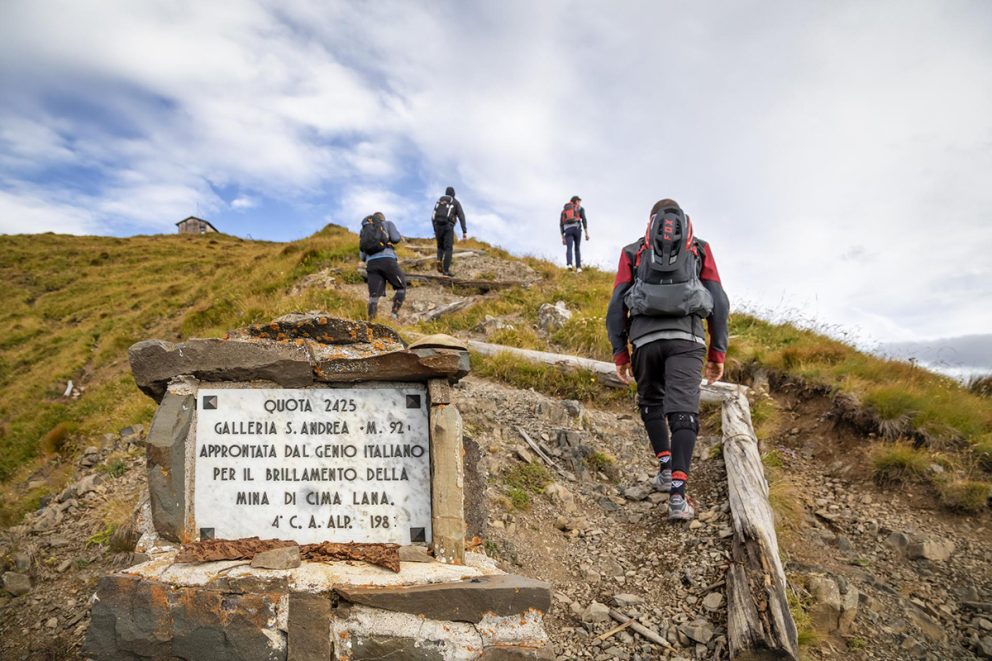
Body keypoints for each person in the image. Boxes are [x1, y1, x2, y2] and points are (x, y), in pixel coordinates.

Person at [605, 199, 729, 521]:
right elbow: (719, 301)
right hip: (687, 340)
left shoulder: (634, 251)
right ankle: (678, 494)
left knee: (651, 401)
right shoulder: (699, 249)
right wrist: (718, 352)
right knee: (684, 410)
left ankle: (664, 466)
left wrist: (621, 352)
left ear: (651, 223)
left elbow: (617, 303)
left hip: (645, 341)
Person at [358, 212, 406, 320]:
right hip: (387, 260)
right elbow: (395, 238)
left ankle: (371, 323)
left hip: (371, 264)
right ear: (382, 219)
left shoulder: (364, 230)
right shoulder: (388, 223)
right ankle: (394, 314)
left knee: (373, 296)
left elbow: (362, 256)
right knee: (401, 287)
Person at [432, 186, 467, 276]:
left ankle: (439, 259)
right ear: (453, 194)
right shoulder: (455, 202)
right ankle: (446, 271)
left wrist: (435, 229)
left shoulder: (439, 201)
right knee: (448, 249)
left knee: (440, 247)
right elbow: (461, 216)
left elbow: (433, 216)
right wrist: (464, 231)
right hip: (448, 226)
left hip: (438, 226)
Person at [560, 195, 589, 272]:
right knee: (577, 248)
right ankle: (578, 267)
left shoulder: (564, 210)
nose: (580, 203)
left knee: (569, 248)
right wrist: (586, 233)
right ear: (576, 201)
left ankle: (569, 264)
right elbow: (584, 220)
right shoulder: (580, 209)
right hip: (577, 229)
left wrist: (563, 237)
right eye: (579, 201)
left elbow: (561, 224)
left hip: (567, 230)